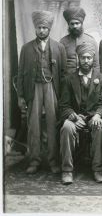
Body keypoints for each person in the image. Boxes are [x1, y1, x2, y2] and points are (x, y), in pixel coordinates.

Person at [17, 11, 66, 174]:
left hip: (51, 87)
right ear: (35, 28)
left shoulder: (59, 47)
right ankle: (34, 160)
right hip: (33, 88)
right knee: (33, 126)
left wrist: (63, 96)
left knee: (53, 124)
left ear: (49, 28)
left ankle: (53, 161)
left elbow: (64, 73)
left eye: (45, 27)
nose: (42, 30)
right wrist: (21, 96)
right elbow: (21, 72)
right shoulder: (26, 48)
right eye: (39, 27)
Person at [59, 43, 102, 185]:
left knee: (99, 126)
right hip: (75, 117)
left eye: (88, 58)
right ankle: (67, 170)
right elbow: (63, 105)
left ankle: (97, 168)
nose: (86, 61)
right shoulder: (69, 79)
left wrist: (98, 115)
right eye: (83, 58)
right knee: (66, 128)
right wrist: (73, 116)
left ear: (93, 59)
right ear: (78, 59)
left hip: (93, 116)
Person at [60, 7, 99, 74]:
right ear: (69, 25)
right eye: (72, 24)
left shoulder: (91, 40)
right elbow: (60, 65)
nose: (75, 26)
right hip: (68, 80)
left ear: (81, 24)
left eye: (77, 23)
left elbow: (96, 65)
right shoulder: (63, 42)